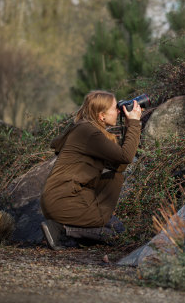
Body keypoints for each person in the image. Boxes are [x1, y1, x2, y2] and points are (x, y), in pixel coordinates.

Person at [40, 90, 142, 250]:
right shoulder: (89, 133)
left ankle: (67, 233)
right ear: (102, 115)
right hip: (64, 201)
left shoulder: (88, 131)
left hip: (67, 199)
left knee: (116, 223)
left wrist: (128, 127)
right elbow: (126, 157)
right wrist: (135, 123)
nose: (119, 111)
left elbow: (119, 165)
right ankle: (64, 232)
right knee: (117, 232)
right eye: (115, 108)